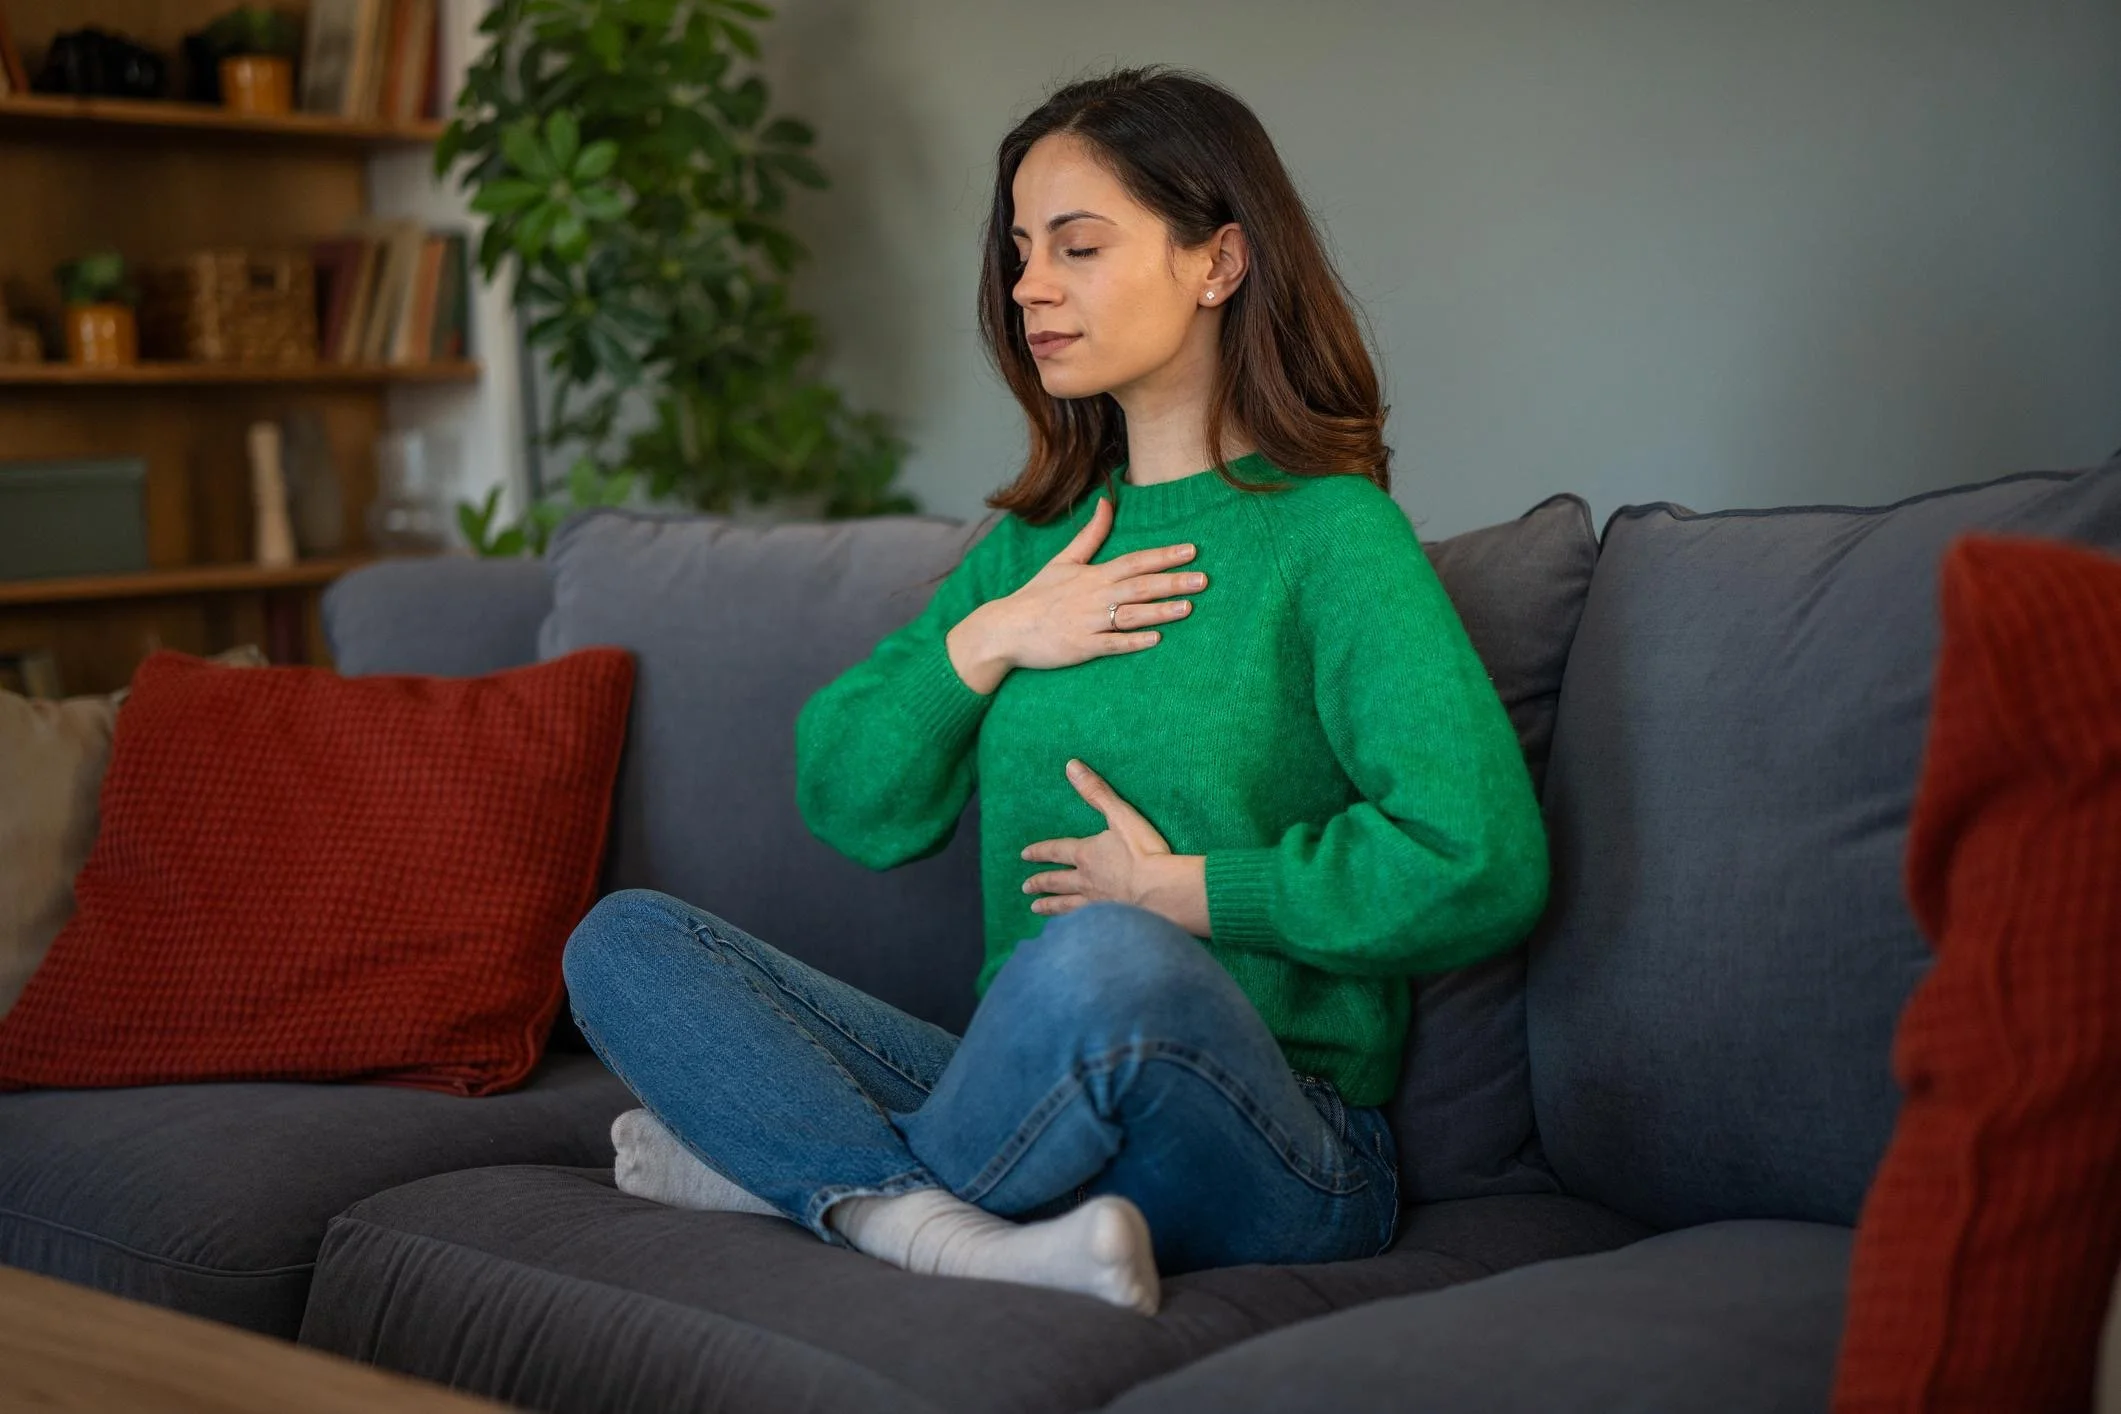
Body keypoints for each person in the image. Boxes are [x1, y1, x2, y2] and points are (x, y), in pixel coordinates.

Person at [560, 63, 1550, 1319]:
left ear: (1219, 262)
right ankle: (932, 1221)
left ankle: (799, 1178)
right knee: (629, 942)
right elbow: (847, 792)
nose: (1029, 285)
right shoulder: (1034, 549)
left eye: (1077, 246)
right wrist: (991, 638)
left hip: (1284, 1138)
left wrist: (1182, 894)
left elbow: (1482, 857)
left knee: (1098, 960)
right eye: (1021, 250)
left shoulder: (1332, 540)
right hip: (1014, 1089)